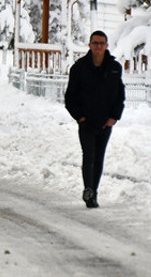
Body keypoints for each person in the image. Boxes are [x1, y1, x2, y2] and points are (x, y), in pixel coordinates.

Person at [64, 30, 126, 209]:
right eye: (95, 43)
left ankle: (94, 191)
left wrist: (114, 117)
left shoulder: (114, 68)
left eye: (102, 43)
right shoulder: (79, 68)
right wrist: (80, 117)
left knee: (99, 157)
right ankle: (88, 189)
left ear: (106, 46)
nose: (98, 47)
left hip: (106, 122)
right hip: (87, 122)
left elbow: (119, 95)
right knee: (88, 156)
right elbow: (70, 97)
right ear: (89, 45)